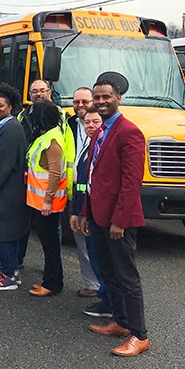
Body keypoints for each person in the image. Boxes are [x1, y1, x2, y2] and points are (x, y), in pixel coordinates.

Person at [72, 79, 150, 357]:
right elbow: (91, 177)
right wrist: (84, 213)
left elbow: (132, 182)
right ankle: (120, 321)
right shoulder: (99, 131)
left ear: (118, 97)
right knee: (108, 272)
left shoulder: (129, 132)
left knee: (127, 276)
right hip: (97, 215)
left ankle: (139, 335)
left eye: (107, 96)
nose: (101, 101)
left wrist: (121, 220)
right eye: (97, 97)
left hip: (119, 219)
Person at [0, 84, 30, 291]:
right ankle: (12, 272)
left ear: (10, 107)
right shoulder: (0, 126)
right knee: (7, 233)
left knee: (2, 233)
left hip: (7, 192)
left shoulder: (11, 129)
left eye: (1, 105)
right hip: (5, 190)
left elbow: (4, 164)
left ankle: (8, 275)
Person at [24, 99, 69, 297]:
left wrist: (48, 201)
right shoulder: (48, 136)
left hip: (47, 204)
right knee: (48, 244)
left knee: (50, 246)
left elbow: (54, 173)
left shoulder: (52, 141)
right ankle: (50, 280)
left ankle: (52, 283)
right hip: (40, 201)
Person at [72, 108, 114, 319]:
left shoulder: (103, 147)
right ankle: (105, 298)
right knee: (95, 258)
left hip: (100, 215)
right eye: (86, 122)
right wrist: (77, 212)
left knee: (103, 260)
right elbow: (81, 184)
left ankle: (110, 303)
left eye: (95, 122)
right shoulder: (87, 147)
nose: (90, 126)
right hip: (86, 211)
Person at [67, 87, 101, 297]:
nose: (80, 105)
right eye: (76, 101)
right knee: (83, 245)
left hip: (96, 206)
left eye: (85, 101)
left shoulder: (103, 141)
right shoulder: (68, 124)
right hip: (77, 197)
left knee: (97, 249)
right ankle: (92, 285)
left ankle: (104, 293)